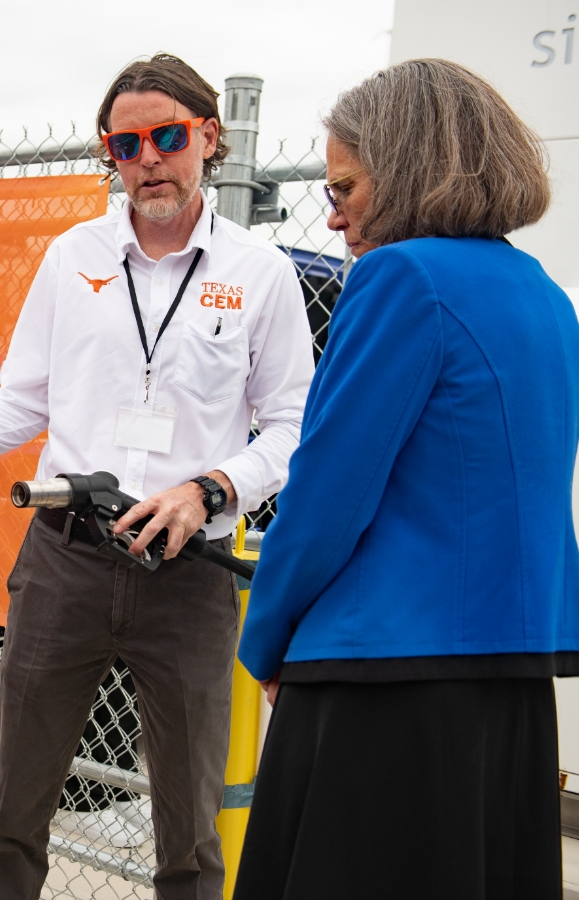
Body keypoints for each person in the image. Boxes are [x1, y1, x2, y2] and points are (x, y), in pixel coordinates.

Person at [0, 53, 314, 899]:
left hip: (187, 572)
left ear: (208, 137)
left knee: (189, 835)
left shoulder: (259, 275)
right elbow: (20, 407)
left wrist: (211, 489)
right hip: (66, 560)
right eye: (126, 144)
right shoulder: (72, 257)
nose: (148, 158)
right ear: (109, 154)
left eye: (166, 136)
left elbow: (292, 432)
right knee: (14, 813)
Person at [234, 59, 577, 900]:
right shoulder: (542, 295)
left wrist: (265, 640)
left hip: (383, 679)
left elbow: (326, 493)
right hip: (510, 681)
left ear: (411, 163)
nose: (333, 210)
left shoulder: (401, 277)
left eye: (345, 185)